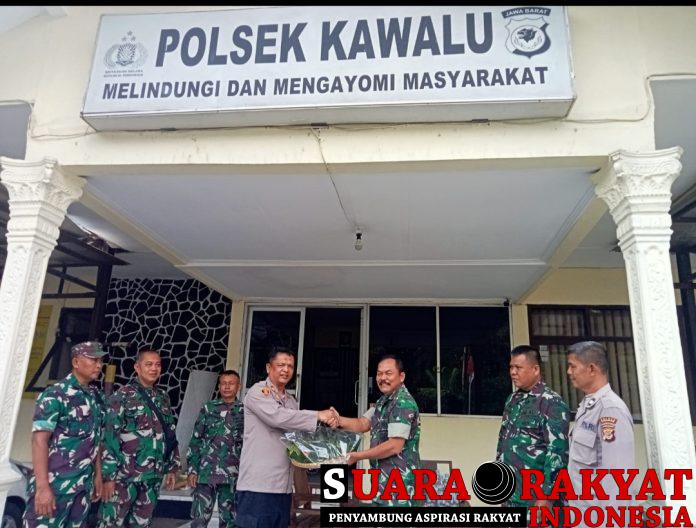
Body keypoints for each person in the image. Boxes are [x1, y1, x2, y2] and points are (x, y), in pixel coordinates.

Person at [235, 347, 338, 528]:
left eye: (290, 366)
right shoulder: (257, 392)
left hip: (283, 486)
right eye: (281, 365)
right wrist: (318, 415)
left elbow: (296, 434)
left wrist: (327, 447)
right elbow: (278, 417)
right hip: (258, 485)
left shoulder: (291, 401)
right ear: (269, 367)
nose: (286, 370)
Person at [23, 341, 106, 528]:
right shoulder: (55, 394)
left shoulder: (95, 397)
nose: (99, 365)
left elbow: (95, 440)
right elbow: (39, 441)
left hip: (82, 487)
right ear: (76, 362)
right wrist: (42, 487)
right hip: (55, 487)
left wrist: (97, 476)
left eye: (101, 361)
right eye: (93, 360)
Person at [98, 349, 180, 528]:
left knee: (142, 524)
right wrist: (108, 477)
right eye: (148, 364)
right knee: (111, 523)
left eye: (158, 365)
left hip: (152, 476)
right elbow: (109, 438)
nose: (154, 369)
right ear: (137, 367)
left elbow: (169, 434)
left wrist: (172, 467)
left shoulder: (163, 397)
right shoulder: (122, 396)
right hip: (124, 477)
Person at [335, 354, 421, 506]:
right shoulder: (383, 401)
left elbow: (394, 446)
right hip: (383, 482)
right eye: (379, 374)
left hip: (399, 486)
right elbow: (363, 423)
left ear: (401, 376)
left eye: (388, 373)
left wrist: (357, 456)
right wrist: (337, 419)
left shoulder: (402, 403)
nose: (383, 378)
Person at [566, 341, 635, 522]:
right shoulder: (588, 406)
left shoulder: (610, 409)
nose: (569, 372)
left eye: (573, 366)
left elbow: (618, 479)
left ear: (591, 369)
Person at [496, 345, 570, 511]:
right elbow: (502, 443)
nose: (513, 372)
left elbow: (558, 452)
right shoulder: (512, 400)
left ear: (535, 369)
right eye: (511, 367)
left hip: (536, 498)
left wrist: (547, 496)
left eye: (518, 367)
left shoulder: (551, 402)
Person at [187, 369, 244, 528]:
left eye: (231, 383)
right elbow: (196, 440)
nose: (227, 387)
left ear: (238, 386)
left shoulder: (244, 411)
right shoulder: (208, 408)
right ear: (219, 386)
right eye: (223, 383)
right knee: (199, 520)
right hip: (206, 473)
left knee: (230, 521)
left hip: (232, 475)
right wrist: (192, 469)